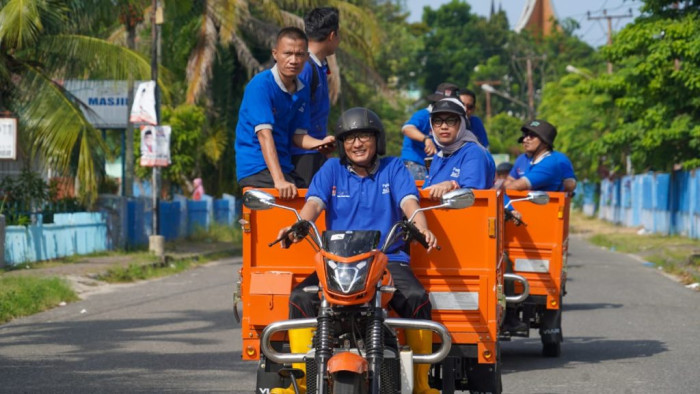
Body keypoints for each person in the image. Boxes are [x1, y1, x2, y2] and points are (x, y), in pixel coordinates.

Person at [273, 108, 440, 394]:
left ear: (377, 140)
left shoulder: (394, 168)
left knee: (417, 299)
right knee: (300, 297)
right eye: (349, 138)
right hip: (338, 261)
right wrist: (297, 226)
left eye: (363, 135)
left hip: (387, 260)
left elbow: (410, 204)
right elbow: (313, 205)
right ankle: (299, 381)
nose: (357, 143)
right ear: (341, 144)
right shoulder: (331, 170)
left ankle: (422, 384)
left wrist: (422, 228)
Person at [234, 27, 335, 199]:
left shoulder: (302, 89)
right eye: (287, 53)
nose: (293, 60)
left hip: (284, 166)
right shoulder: (261, 85)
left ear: (306, 57)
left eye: (299, 54)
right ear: (275, 54)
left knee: (315, 198)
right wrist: (279, 180)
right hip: (257, 167)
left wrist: (320, 144)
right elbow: (264, 135)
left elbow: (298, 136)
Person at [291, 7, 341, 187]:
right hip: (301, 156)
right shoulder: (305, 68)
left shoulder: (318, 67)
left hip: (315, 152)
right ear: (332, 35)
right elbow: (291, 116)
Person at [422, 97, 495, 200]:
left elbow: (472, 197)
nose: (443, 126)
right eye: (437, 121)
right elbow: (425, 192)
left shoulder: (473, 152)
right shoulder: (438, 157)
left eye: (451, 121)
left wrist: (451, 185)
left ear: (462, 124)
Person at [401, 82, 460, 180]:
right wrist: (426, 139)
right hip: (415, 165)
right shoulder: (424, 115)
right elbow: (407, 129)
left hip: (433, 167)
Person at [504, 120, 577, 193]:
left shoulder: (550, 163)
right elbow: (510, 181)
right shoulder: (533, 160)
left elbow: (515, 186)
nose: (525, 139)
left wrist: (501, 190)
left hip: (546, 204)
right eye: (525, 135)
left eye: (532, 135)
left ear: (545, 142)